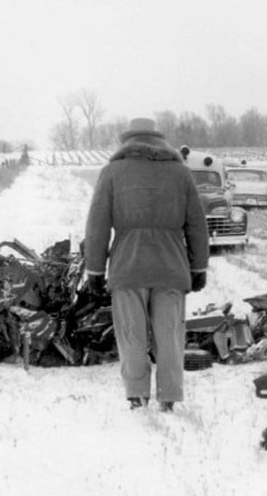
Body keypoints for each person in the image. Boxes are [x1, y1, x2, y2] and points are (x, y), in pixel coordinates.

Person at [84, 118, 210, 412]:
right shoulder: (180, 173)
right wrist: (198, 267)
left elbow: (97, 225)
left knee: (132, 335)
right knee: (170, 336)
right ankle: (168, 398)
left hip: (128, 267)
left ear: (126, 140)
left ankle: (137, 396)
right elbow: (197, 225)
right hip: (172, 267)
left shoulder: (112, 172)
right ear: (159, 139)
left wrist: (94, 270)